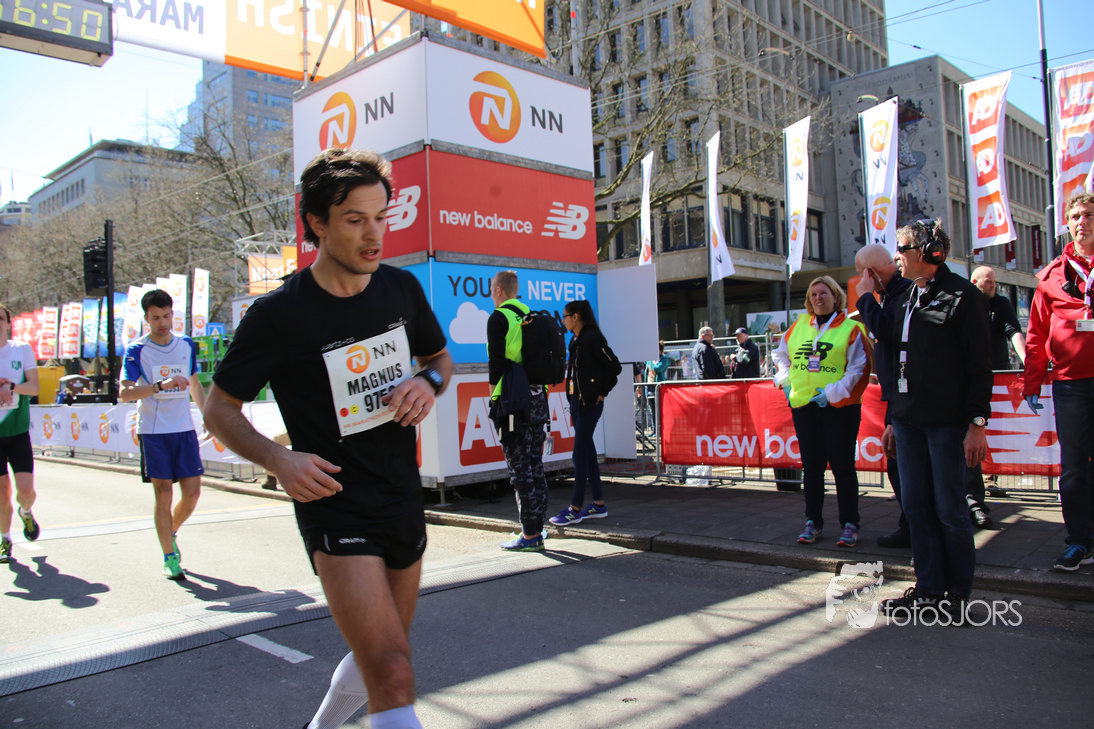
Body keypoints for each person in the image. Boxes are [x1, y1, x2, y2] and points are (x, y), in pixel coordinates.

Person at [204, 149, 452, 729]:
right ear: (316, 223)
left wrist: (427, 383)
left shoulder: (400, 289)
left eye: (381, 218)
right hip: (333, 501)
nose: (374, 235)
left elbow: (440, 360)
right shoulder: (278, 315)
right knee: (392, 670)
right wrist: (278, 459)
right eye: (355, 220)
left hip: (400, 494)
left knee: (384, 655)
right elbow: (219, 409)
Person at [879, 219, 991, 623]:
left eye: (902, 248)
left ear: (929, 252)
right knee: (917, 507)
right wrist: (893, 418)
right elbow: (896, 358)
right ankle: (927, 589)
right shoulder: (907, 296)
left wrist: (977, 425)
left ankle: (957, 595)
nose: (896, 257)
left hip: (947, 424)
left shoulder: (964, 296)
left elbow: (980, 367)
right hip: (908, 421)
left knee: (949, 509)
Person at [1022, 192, 1094, 572]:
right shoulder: (1051, 275)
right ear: (1067, 223)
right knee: (1074, 467)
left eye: (1090, 215)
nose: (1083, 221)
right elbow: (1036, 333)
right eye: (1076, 216)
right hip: (1070, 382)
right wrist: (1032, 383)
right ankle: (1079, 541)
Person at [773, 276, 872, 548]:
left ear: (835, 296)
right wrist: (786, 381)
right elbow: (780, 355)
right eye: (813, 294)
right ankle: (812, 521)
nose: (818, 298)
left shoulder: (852, 329)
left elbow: (858, 369)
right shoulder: (799, 325)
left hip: (840, 408)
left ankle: (850, 524)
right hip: (804, 406)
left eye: (823, 293)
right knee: (812, 467)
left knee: (842, 466)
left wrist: (830, 394)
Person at [120, 289, 206, 581]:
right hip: (154, 431)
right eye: (156, 318)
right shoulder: (137, 350)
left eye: (167, 316)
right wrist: (160, 385)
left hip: (184, 429)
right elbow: (125, 393)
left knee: (192, 494)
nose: (162, 322)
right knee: (164, 493)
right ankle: (170, 557)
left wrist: (208, 415)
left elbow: (194, 383)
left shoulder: (185, 344)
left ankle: (170, 531)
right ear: (146, 319)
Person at [854, 243, 914, 549]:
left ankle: (916, 529)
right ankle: (910, 525)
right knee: (897, 465)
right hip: (897, 396)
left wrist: (865, 297)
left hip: (908, 397)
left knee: (905, 468)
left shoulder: (903, 294)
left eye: (861, 275)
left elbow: (885, 329)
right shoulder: (891, 294)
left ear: (869, 273)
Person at [487, 269, 549, 552]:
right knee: (535, 465)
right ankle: (538, 528)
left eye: (492, 290)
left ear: (499, 291)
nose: (492, 295)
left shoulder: (498, 317)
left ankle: (529, 534)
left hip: (512, 401)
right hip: (538, 400)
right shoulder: (531, 315)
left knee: (518, 468)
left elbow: (496, 364)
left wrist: (494, 400)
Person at [550, 299, 621, 526]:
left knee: (579, 453)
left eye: (565, 316)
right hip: (576, 403)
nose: (563, 320)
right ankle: (598, 505)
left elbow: (614, 366)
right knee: (588, 453)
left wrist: (602, 392)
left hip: (589, 404)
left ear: (576, 316)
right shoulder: (575, 339)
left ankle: (575, 508)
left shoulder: (592, 337)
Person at [966, 265, 1027, 526]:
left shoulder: (1001, 303)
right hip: (971, 376)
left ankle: (989, 478)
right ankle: (975, 491)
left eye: (994, 282)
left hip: (997, 374)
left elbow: (1013, 331)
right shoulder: (966, 302)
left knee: (992, 430)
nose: (992, 285)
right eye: (988, 282)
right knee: (972, 431)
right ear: (974, 282)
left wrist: (1026, 359)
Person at [0, 304, 41, 563]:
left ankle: (26, 512)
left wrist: (12, 386)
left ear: (7, 323)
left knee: (25, 491)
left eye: (0, 318)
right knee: (2, 492)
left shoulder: (21, 349)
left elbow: (34, 387)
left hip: (17, 431)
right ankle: (5, 540)